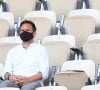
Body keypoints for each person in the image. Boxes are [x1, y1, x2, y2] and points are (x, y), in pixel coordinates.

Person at [0, 20, 49, 90]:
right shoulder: (13, 51)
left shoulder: (41, 50)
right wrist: (9, 77)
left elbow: (44, 73)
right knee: (4, 85)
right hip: (14, 83)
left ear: (34, 33)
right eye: (22, 30)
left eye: (27, 30)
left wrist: (28, 79)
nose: (24, 32)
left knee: (26, 88)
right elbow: (5, 72)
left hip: (33, 82)